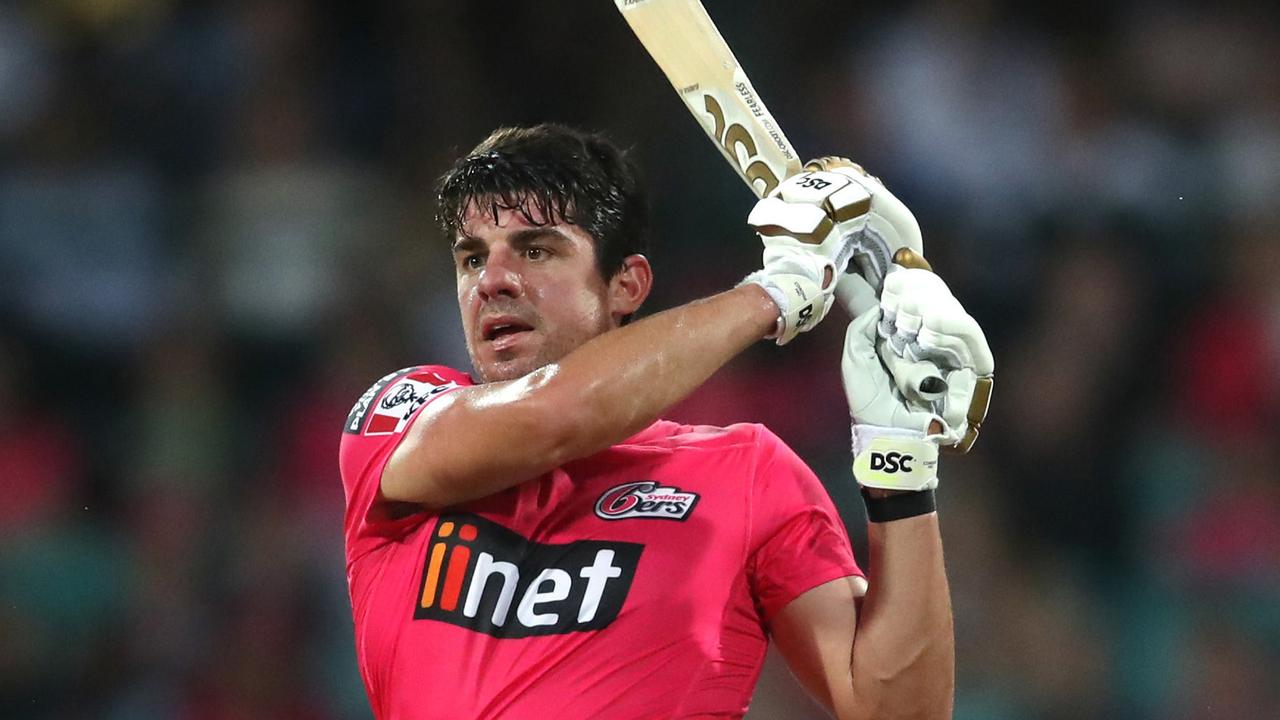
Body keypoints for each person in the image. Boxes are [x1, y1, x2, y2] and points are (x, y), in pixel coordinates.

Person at [338, 124, 993, 719]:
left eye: (535, 251)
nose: (493, 280)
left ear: (628, 285)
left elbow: (895, 714)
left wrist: (901, 462)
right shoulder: (401, 420)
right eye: (472, 257)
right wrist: (775, 291)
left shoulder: (748, 474)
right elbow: (556, 415)